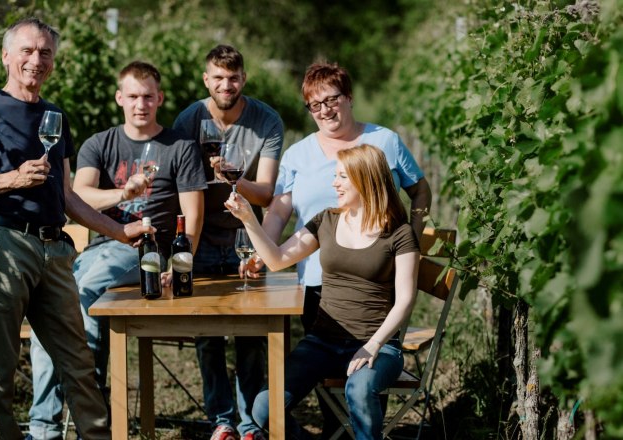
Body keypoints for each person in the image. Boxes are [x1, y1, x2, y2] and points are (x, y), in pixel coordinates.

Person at [0, 18, 153, 440]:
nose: (36, 60)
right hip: (6, 244)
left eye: (45, 53)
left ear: (53, 61)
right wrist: (10, 179)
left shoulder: (54, 114)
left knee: (79, 361)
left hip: (56, 251)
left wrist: (120, 232)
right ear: (6, 56)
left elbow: (69, 197)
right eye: (27, 50)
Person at [27, 61, 206, 439]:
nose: (140, 104)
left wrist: (180, 265)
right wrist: (122, 194)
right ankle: (49, 426)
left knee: (81, 298)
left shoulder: (180, 147)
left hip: (147, 252)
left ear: (159, 98)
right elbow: (78, 195)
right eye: (133, 96)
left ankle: (82, 422)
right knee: (52, 312)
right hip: (101, 245)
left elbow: (193, 215)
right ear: (119, 98)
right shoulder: (100, 142)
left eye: (148, 96)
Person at [226, 145, 420, 440]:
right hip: (323, 342)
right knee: (264, 406)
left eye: (342, 177)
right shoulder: (326, 220)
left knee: (359, 389)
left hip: (377, 345)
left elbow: (406, 299)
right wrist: (248, 220)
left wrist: (373, 345)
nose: (334, 183)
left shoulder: (399, 233)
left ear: (365, 179)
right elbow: (277, 260)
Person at [173, 44, 284, 440]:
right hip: (201, 238)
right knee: (207, 334)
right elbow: (176, 185)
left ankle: (251, 423)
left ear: (244, 79)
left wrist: (232, 177)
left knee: (252, 334)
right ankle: (222, 422)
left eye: (233, 78)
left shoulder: (266, 121)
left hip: (246, 237)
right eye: (218, 78)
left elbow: (267, 193)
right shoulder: (188, 119)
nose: (226, 84)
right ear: (206, 80)